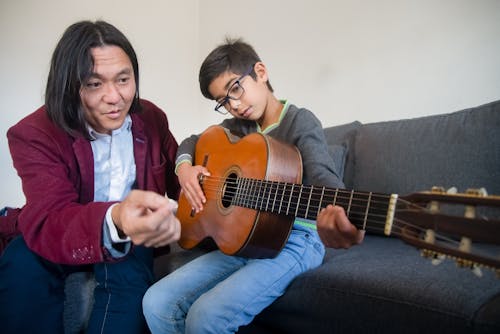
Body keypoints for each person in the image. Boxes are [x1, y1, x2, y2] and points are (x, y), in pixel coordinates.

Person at [142, 38, 364, 334]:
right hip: (244, 236)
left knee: (205, 318)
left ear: (261, 72)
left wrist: (345, 212)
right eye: (223, 102)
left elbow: (325, 177)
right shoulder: (238, 129)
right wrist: (184, 169)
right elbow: (193, 141)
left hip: (296, 238)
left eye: (235, 88)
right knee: (155, 301)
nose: (233, 105)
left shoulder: (300, 122)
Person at [0, 20, 181, 334]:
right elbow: (52, 215)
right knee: (21, 263)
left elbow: (179, 177)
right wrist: (116, 217)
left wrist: (191, 167)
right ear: (69, 85)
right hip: (61, 229)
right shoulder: (32, 133)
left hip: (130, 240)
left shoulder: (151, 118)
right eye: (95, 84)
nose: (114, 97)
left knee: (128, 276)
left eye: (123, 79)